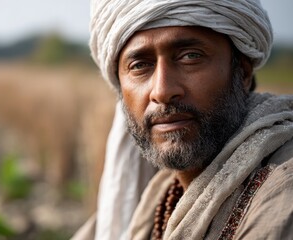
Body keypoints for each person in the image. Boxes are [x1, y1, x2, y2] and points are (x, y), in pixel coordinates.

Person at [73, 0, 293, 239]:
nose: (162, 91)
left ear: (243, 72)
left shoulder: (282, 194)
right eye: (139, 65)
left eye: (190, 56)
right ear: (119, 85)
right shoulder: (159, 197)